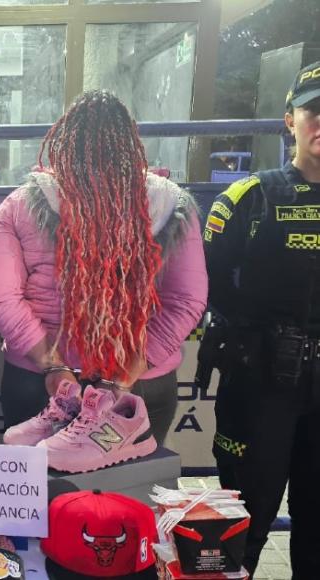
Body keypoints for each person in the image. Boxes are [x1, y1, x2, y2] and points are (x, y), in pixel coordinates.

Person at [0, 90, 207, 447]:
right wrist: (128, 372)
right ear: (130, 143)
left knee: (41, 496)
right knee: (129, 491)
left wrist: (53, 365)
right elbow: (187, 300)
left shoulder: (18, 206)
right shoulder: (171, 205)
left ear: (64, 140)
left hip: (42, 386)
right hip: (141, 386)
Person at [202, 61, 320, 576]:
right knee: (239, 533)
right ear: (289, 120)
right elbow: (206, 286)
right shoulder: (246, 200)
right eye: (313, 111)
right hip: (261, 388)